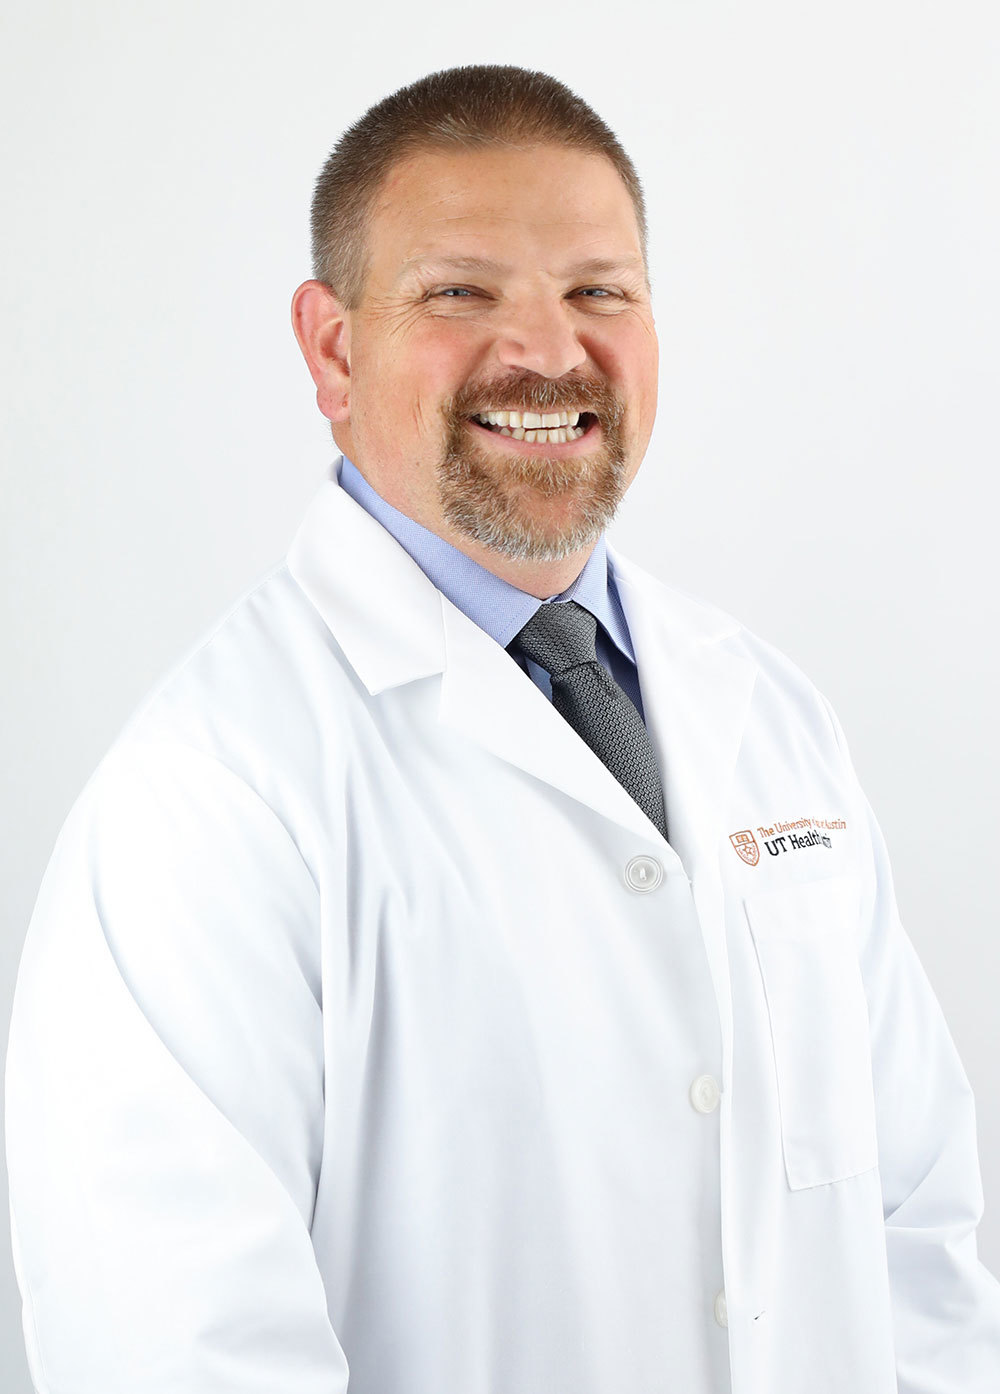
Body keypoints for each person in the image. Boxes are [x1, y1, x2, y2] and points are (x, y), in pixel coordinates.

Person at [5, 63, 1000, 1394]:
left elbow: (923, 1235)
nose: (546, 351)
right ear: (333, 346)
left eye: (600, 291)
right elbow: (178, 1354)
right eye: (459, 293)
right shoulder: (208, 799)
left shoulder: (766, 713)